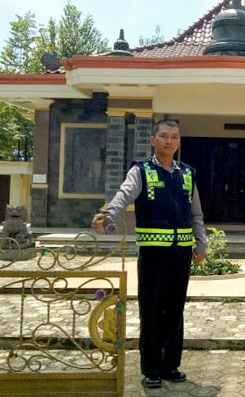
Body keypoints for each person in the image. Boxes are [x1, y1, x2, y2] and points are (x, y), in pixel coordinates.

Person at [92, 119, 207, 389]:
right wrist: (108, 215)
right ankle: (152, 369)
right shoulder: (141, 171)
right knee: (152, 310)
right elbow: (123, 196)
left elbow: (196, 213)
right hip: (153, 254)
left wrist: (201, 243)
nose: (170, 141)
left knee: (175, 310)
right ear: (153, 140)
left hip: (180, 254)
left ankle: (171, 366)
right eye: (164, 136)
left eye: (175, 137)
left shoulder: (187, 174)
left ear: (179, 142)